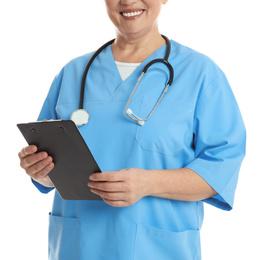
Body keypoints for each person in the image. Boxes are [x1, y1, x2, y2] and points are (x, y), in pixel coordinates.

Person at [18, 0, 246, 259]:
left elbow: (219, 172)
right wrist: (39, 171)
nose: (128, 1)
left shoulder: (201, 75)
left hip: (158, 250)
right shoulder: (72, 73)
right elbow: (50, 172)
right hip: (78, 248)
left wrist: (147, 183)